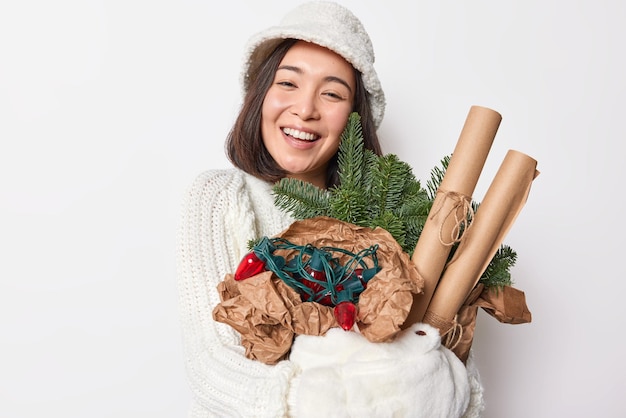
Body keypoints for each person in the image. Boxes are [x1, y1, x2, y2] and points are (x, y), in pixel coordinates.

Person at [176, 2, 485, 417]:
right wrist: (345, 401)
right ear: (260, 95)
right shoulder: (219, 198)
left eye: (332, 93)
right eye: (288, 83)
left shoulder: (391, 220)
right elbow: (213, 371)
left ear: (354, 119)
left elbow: (449, 369)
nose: (305, 109)